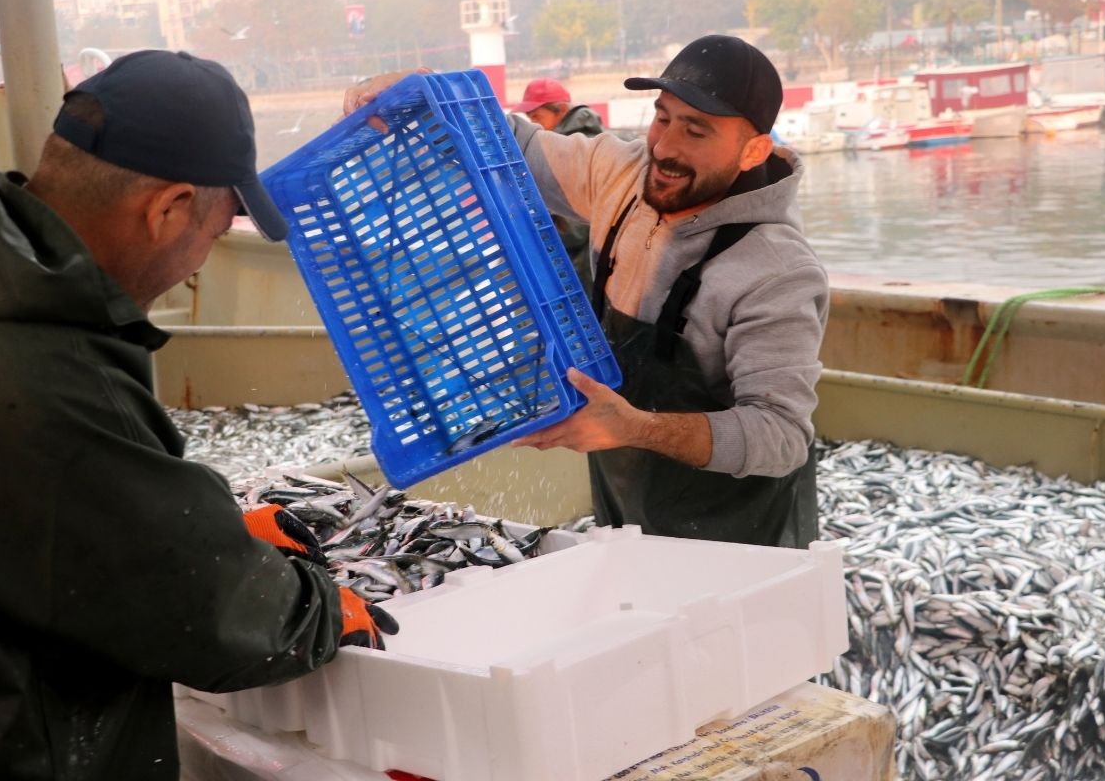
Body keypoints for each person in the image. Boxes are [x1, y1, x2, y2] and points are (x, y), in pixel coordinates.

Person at [0, 50, 396, 781]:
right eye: (214, 236)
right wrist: (315, 605)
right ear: (167, 209)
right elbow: (207, 614)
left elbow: (60, 527)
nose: (197, 266)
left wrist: (206, 523)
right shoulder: (58, 379)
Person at [345, 36, 827, 547]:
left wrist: (636, 428)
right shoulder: (620, 173)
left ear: (754, 150)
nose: (664, 147)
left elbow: (782, 436)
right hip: (628, 506)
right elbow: (512, 144)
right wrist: (423, 93)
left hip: (740, 540)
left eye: (697, 130)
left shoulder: (777, 272)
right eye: (663, 117)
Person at [510, 77, 605, 285]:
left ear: (561, 110)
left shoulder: (574, 149)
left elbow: (575, 231)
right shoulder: (561, 144)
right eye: (529, 118)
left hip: (584, 273)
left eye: (537, 117)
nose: (533, 125)